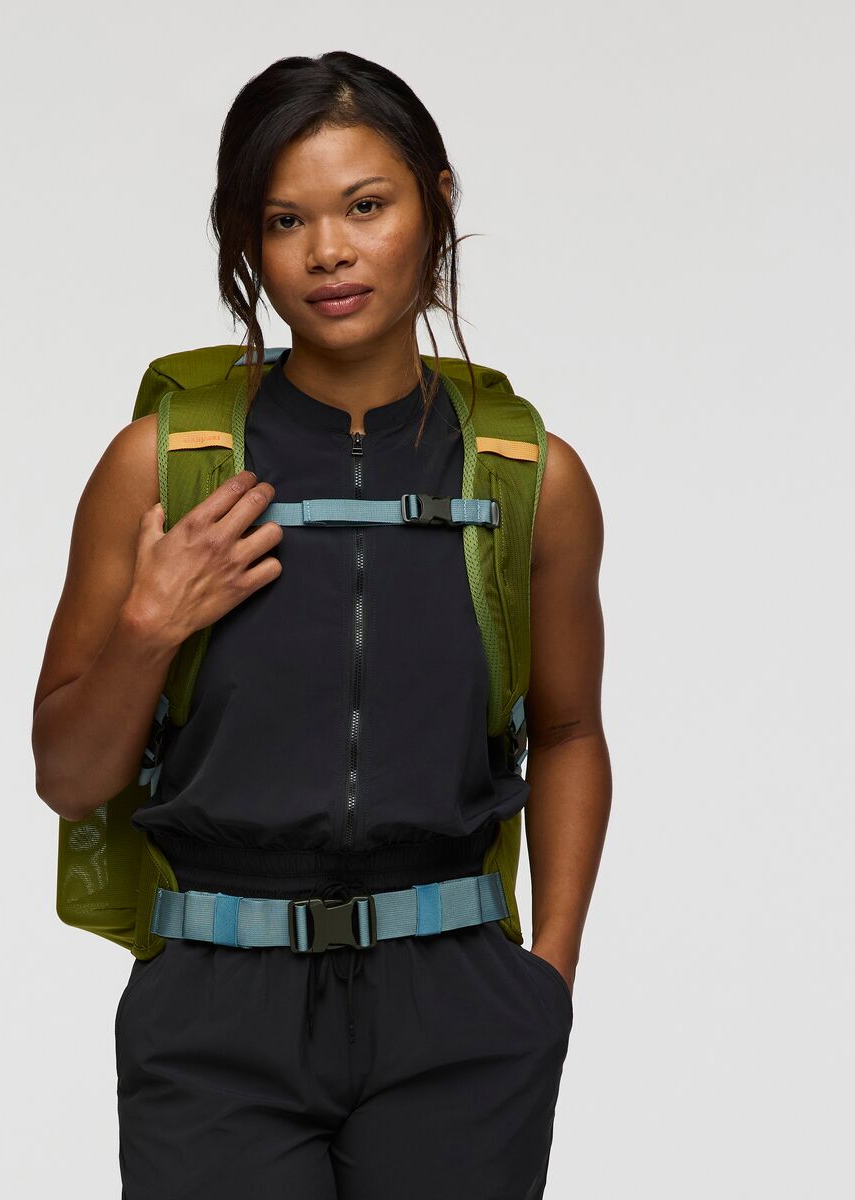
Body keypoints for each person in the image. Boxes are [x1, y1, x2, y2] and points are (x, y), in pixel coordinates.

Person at [32, 50, 610, 1199]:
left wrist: (548, 975)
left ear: (434, 205)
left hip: (459, 1008)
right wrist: (149, 625)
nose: (327, 252)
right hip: (214, 1010)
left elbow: (569, 732)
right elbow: (68, 777)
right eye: (284, 219)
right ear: (245, 240)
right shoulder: (157, 468)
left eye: (365, 206)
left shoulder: (528, 478)